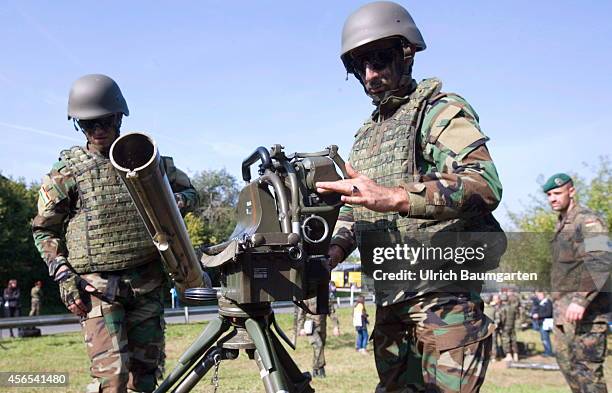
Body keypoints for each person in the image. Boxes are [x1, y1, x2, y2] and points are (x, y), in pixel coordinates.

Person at [316, 2, 503, 391]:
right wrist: (332, 253)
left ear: (407, 53)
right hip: (390, 299)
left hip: (442, 298)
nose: (370, 75)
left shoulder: (438, 112)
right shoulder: (366, 135)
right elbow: (356, 211)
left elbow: (484, 183)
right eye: (359, 65)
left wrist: (399, 197)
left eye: (380, 60)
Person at [32, 74, 198, 393]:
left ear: (119, 117)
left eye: (104, 122)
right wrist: (64, 277)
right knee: (113, 377)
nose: (97, 131)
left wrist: (171, 201)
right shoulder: (67, 171)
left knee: (145, 377)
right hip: (97, 288)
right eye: (87, 125)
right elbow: (44, 230)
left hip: (146, 284)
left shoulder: (147, 159)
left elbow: (192, 193)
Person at [544, 173, 610, 393]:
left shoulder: (587, 220)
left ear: (571, 191)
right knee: (571, 371)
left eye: (557, 193)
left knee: (589, 377)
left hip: (587, 316)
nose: (552, 198)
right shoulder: (562, 224)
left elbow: (601, 260)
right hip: (564, 315)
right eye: (549, 195)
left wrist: (580, 300)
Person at [297, 297, 328, 378]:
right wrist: (300, 328)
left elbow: (331, 310)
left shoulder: (325, 296)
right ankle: (320, 369)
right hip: (311, 327)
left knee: (318, 349)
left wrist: (336, 326)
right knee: (318, 345)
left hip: (322, 326)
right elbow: (301, 313)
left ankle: (315, 370)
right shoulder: (308, 297)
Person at [499, 293, 519, 362]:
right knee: (513, 339)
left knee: (506, 340)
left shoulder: (502, 308)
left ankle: (509, 355)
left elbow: (502, 319)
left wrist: (500, 326)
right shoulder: (512, 307)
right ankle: (516, 355)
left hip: (505, 327)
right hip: (512, 326)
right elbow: (516, 317)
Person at [532, 291, 553, 357]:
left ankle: (548, 352)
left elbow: (549, 313)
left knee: (545, 338)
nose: (538, 297)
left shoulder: (548, 302)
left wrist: (539, 315)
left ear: (544, 295)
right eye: (538, 296)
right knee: (543, 338)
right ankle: (547, 351)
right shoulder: (539, 303)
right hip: (541, 322)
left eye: (540, 295)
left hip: (546, 323)